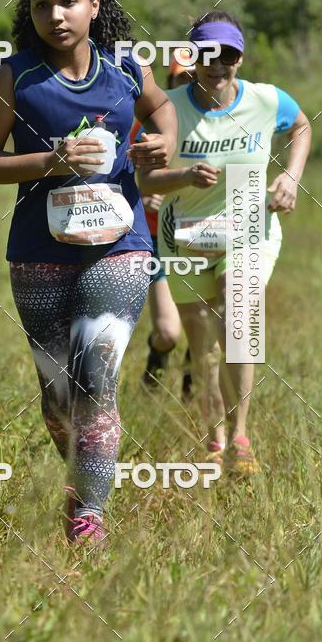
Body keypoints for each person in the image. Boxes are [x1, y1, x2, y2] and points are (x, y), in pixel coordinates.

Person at [0, 0, 177, 544]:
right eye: (41, 5)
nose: (55, 14)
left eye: (67, 1)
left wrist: (160, 146)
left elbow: (160, 109)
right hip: (39, 251)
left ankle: (89, 521)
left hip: (121, 247)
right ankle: (83, 475)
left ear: (94, 5)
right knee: (59, 403)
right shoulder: (16, 77)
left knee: (95, 379)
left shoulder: (128, 66)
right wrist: (50, 162)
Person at [139, 12, 311, 476]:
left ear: (241, 56)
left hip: (248, 220)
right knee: (203, 344)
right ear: (190, 57)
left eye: (228, 55)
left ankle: (241, 437)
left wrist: (290, 177)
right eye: (206, 55)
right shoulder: (165, 108)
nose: (218, 65)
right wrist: (175, 178)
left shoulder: (266, 99)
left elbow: (301, 126)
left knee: (239, 320)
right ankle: (213, 439)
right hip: (185, 227)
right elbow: (142, 174)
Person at [132, 57, 194, 396]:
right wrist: (144, 197)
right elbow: (127, 179)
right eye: (179, 78)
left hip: (206, 237)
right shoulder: (148, 123)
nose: (187, 84)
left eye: (192, 77)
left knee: (209, 331)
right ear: (169, 82)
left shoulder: (224, 123)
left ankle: (193, 394)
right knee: (168, 332)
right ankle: (156, 361)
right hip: (159, 238)